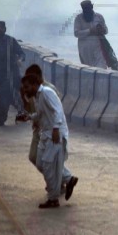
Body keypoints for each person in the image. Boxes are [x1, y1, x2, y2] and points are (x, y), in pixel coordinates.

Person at [20, 73, 79, 208]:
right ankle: (68, 179)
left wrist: (56, 128)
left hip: (55, 134)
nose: (25, 90)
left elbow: (58, 110)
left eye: (27, 87)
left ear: (35, 85)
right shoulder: (38, 97)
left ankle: (53, 199)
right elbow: (41, 115)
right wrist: (29, 117)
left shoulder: (47, 93)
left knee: (48, 165)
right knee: (40, 162)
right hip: (46, 134)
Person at [19, 64, 61, 166]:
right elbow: (31, 110)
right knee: (33, 156)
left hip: (49, 129)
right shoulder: (33, 90)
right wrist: (24, 98)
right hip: (38, 129)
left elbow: (57, 111)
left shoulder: (49, 90)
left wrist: (56, 128)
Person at [0, 21, 25, 126]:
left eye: (1, 28)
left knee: (2, 96)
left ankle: (1, 119)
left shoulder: (10, 41)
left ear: (5, 29)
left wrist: (19, 60)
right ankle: (21, 111)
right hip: (0, 75)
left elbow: (22, 54)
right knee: (10, 97)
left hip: (12, 74)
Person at [73, 0, 118, 70]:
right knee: (88, 68)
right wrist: (90, 31)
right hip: (85, 49)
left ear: (92, 6)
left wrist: (102, 30)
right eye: (85, 8)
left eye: (88, 8)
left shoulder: (99, 17)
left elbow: (106, 30)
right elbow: (76, 33)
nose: (87, 10)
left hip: (98, 46)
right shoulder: (78, 18)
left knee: (101, 67)